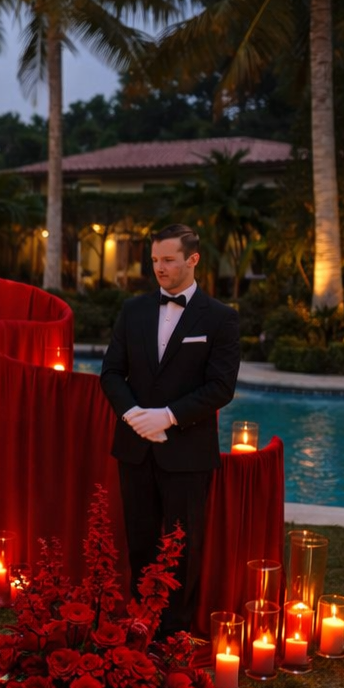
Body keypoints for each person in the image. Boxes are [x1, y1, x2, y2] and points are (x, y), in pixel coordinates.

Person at [99, 225, 239, 638]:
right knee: (140, 542)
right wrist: (135, 415)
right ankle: (141, 627)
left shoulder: (220, 318)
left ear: (193, 260)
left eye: (169, 260)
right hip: (134, 448)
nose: (159, 267)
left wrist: (169, 416)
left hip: (187, 453)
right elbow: (110, 373)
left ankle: (174, 635)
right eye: (155, 259)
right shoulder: (133, 310)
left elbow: (220, 387)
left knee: (183, 547)